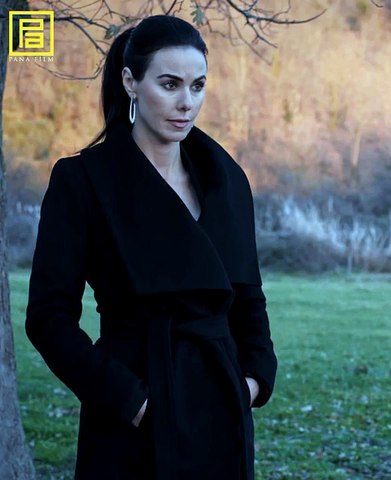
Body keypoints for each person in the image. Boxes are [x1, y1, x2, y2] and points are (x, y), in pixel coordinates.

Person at [26, 15, 277, 480]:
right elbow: (48, 317)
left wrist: (254, 381)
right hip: (131, 415)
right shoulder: (82, 180)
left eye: (197, 86)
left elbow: (248, 296)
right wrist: (132, 400)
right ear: (131, 82)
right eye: (169, 84)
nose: (186, 103)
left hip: (220, 407)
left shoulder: (226, 180)